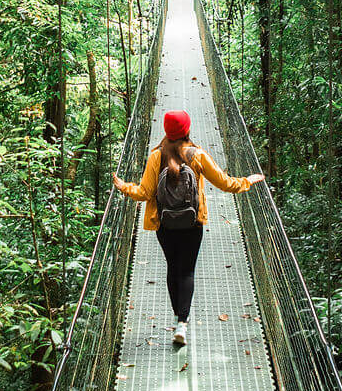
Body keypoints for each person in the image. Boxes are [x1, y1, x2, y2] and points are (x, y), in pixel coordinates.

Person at [112, 110, 264, 347]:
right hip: (192, 223)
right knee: (187, 271)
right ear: (187, 129)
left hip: (164, 224)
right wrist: (247, 182)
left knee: (173, 268)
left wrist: (124, 187)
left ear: (165, 130)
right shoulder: (197, 155)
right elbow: (225, 183)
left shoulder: (156, 157)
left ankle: (177, 319)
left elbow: (144, 193)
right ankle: (182, 323)